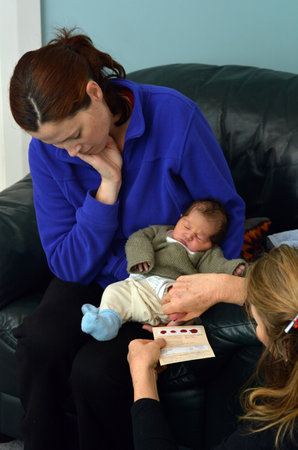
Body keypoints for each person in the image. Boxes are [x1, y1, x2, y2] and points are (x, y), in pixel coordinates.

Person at [9, 27, 247, 450]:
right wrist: (107, 189)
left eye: (74, 136)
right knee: (39, 343)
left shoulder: (175, 119)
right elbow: (67, 264)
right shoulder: (50, 151)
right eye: (53, 144)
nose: (69, 153)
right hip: (92, 270)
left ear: (94, 93)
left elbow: (224, 215)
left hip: (159, 280)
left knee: (96, 372)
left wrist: (200, 291)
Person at [127, 245, 298, 450]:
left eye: (256, 320)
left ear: (284, 345)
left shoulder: (277, 434)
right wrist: (223, 286)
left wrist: (142, 376)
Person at [81, 198, 246, 341]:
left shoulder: (206, 254)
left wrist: (233, 269)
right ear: (180, 218)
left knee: (183, 298)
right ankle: (107, 321)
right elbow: (138, 238)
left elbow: (217, 266)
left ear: (210, 244)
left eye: (199, 237)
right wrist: (141, 256)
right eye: (187, 227)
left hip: (169, 289)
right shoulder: (159, 232)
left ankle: (174, 323)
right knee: (113, 291)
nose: (188, 236)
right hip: (139, 284)